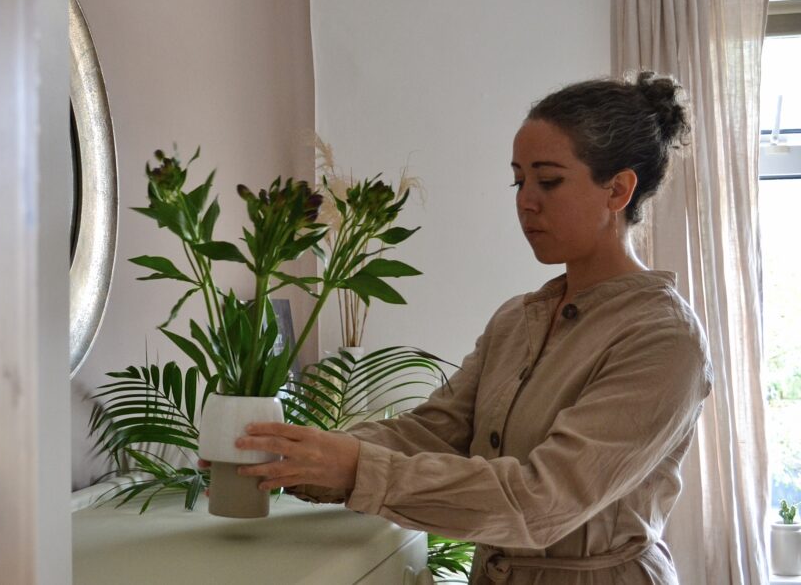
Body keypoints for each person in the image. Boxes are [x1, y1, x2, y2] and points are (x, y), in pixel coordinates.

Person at [234, 72, 713, 585]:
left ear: (617, 189)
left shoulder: (664, 339)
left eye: (548, 180)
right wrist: (298, 458)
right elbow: (432, 432)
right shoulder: (517, 320)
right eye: (518, 180)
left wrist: (355, 468)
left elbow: (541, 501)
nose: (525, 201)